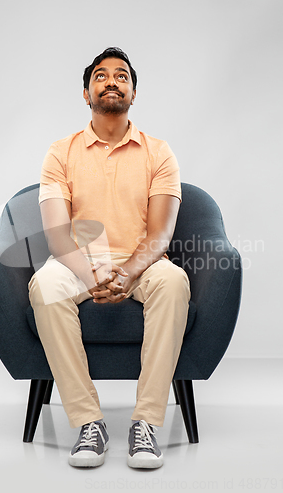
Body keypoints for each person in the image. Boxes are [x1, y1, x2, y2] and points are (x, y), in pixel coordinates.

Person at [28, 47, 190, 469]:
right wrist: (94, 275)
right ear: (86, 93)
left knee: (173, 281)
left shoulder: (160, 153)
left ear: (134, 93)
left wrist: (128, 272)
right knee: (45, 286)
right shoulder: (59, 152)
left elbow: (160, 235)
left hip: (142, 261)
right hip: (78, 262)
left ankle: (147, 424)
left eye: (121, 76)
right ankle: (88, 423)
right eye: (101, 76)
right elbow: (58, 236)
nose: (111, 81)